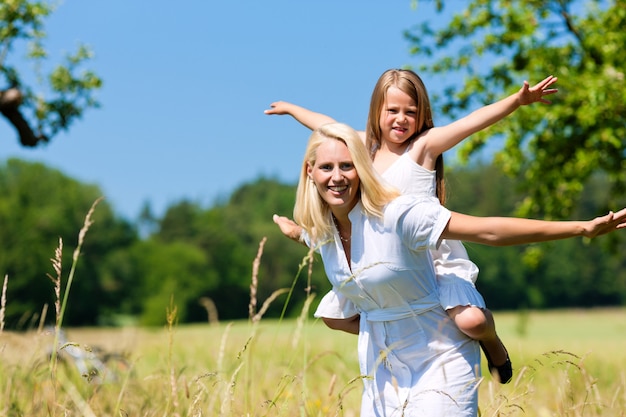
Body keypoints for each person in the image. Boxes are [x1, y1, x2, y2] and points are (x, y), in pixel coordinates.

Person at [272, 122, 626, 416]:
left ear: (362, 169)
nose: (337, 177)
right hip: (381, 369)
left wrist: (581, 228)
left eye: (347, 166)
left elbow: (489, 230)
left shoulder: (398, 215)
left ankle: (490, 342)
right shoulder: (322, 232)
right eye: (327, 168)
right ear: (310, 172)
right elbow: (310, 237)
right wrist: (293, 232)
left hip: (440, 356)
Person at [265, 69, 558, 383]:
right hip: (383, 256)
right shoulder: (364, 149)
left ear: (422, 116)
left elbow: (472, 122)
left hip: (431, 258)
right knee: (334, 317)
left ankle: (493, 344)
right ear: (377, 111)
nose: (400, 119)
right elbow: (325, 125)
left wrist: (517, 101)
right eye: (392, 110)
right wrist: (292, 109)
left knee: (473, 321)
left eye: (411, 112)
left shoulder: (424, 146)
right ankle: (403, 335)